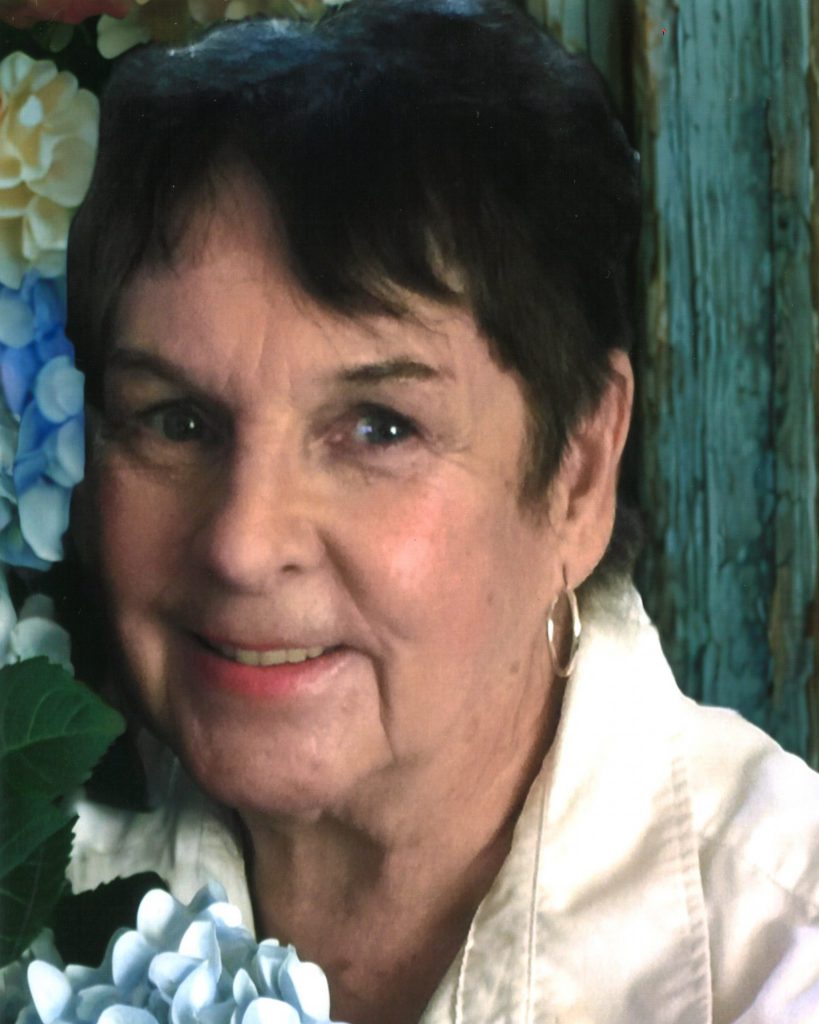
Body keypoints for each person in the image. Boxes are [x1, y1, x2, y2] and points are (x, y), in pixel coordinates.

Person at [65, 1, 819, 1021]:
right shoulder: (35, 855)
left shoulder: (785, 949)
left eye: (377, 428)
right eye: (176, 421)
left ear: (580, 472)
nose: (243, 544)